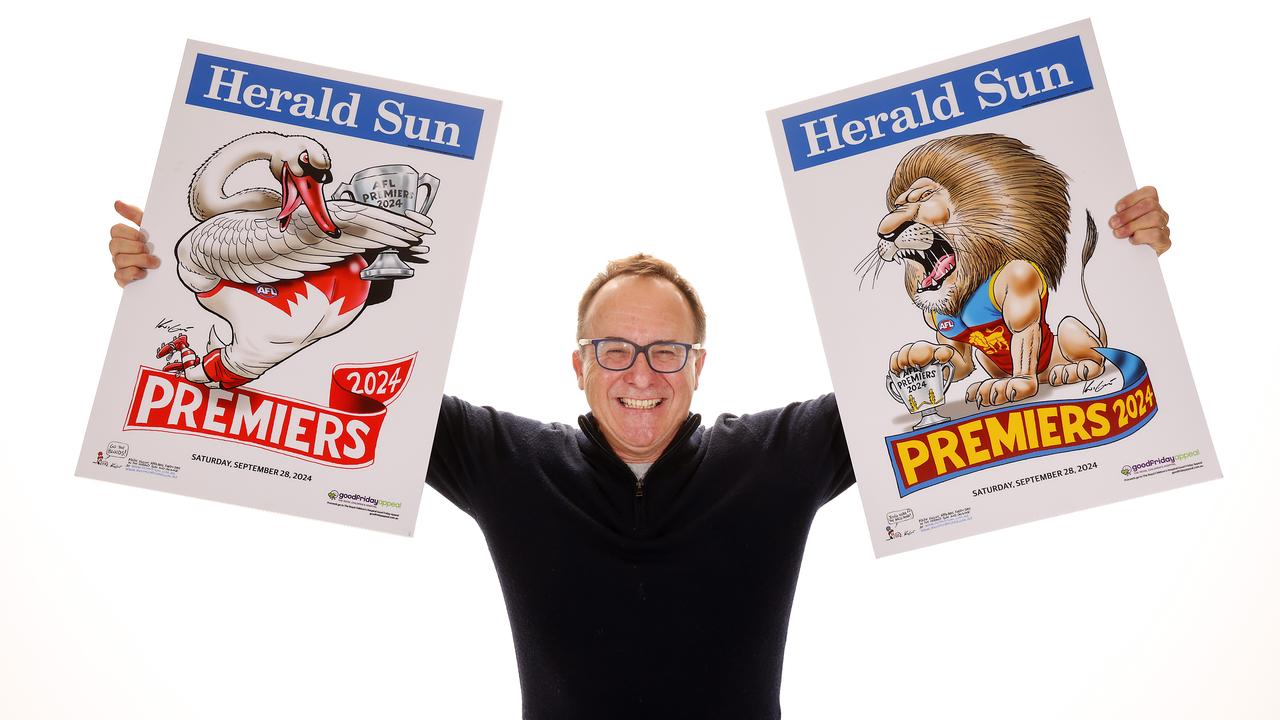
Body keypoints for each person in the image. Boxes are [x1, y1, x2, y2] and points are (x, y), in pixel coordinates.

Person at [107, 187, 1173, 718]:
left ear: (699, 366)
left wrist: (1115, 255)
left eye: (665, 350)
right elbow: (322, 345)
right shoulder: (501, 459)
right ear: (577, 365)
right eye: (614, 349)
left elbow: (951, 360)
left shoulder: (782, 455)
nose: (640, 373)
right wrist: (171, 275)